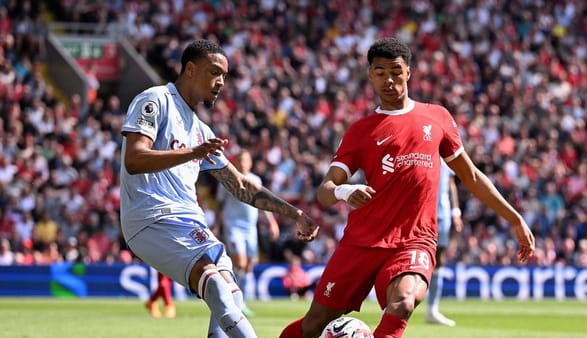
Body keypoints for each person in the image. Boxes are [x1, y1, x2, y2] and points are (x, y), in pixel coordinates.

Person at [279, 37, 535, 338]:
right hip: (362, 240)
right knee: (314, 324)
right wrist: (345, 191)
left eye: (395, 71)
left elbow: (472, 177)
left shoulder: (437, 117)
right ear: (369, 75)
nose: (388, 79)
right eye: (380, 71)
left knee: (402, 302)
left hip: (414, 240)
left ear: (408, 73)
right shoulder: (360, 130)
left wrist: (515, 219)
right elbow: (325, 190)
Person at [120, 39, 319, 338]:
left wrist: (294, 213)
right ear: (190, 69)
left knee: (231, 292)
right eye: (215, 72)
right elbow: (134, 159)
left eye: (224, 76)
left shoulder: (200, 129)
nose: (221, 83)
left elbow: (240, 185)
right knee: (214, 282)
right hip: (152, 215)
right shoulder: (156, 100)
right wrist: (193, 153)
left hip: (187, 219)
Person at [215, 148, 280, 316]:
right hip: (233, 225)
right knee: (240, 263)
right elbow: (220, 205)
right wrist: (216, 225)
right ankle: (233, 299)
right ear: (235, 162)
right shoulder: (228, 179)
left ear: (250, 163)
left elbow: (263, 204)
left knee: (250, 265)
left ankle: (241, 301)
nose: (243, 163)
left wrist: (272, 223)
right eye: (240, 160)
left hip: (250, 228)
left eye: (246, 160)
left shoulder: (255, 179)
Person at [425, 161, 463, 326]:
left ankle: (433, 309)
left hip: (443, 215)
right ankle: (396, 304)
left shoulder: (446, 156)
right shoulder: (423, 148)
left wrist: (455, 211)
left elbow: (451, 184)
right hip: (422, 213)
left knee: (438, 260)